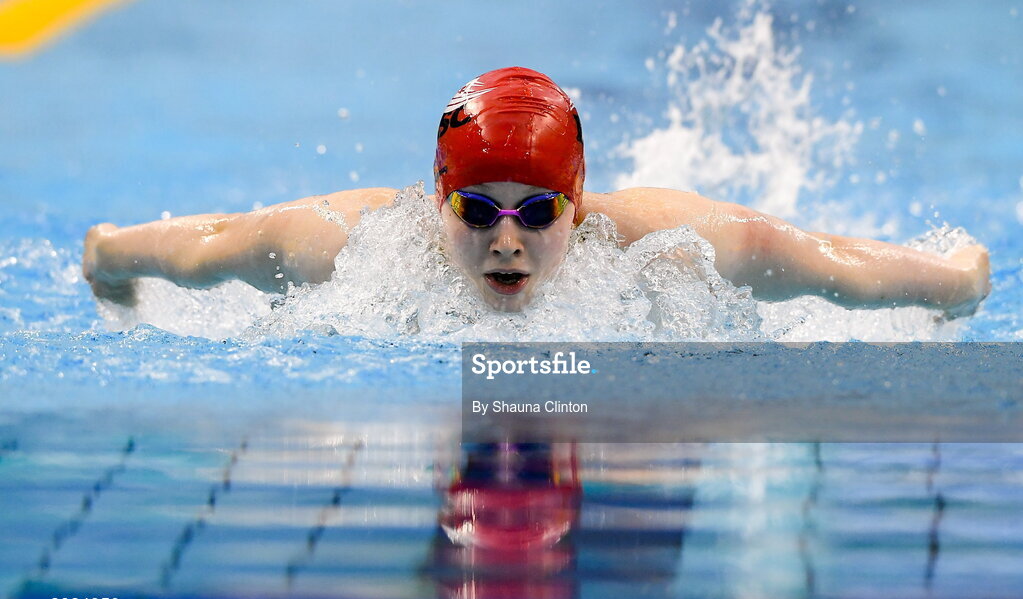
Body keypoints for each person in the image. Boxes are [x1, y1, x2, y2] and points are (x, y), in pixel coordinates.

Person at [82, 67, 990, 319]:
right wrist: (112, 256)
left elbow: (830, 264)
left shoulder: (667, 245)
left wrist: (950, 280)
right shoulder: (349, 246)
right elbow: (211, 244)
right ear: (436, 204)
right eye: (476, 211)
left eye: (537, 210)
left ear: (579, 208)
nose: (504, 240)